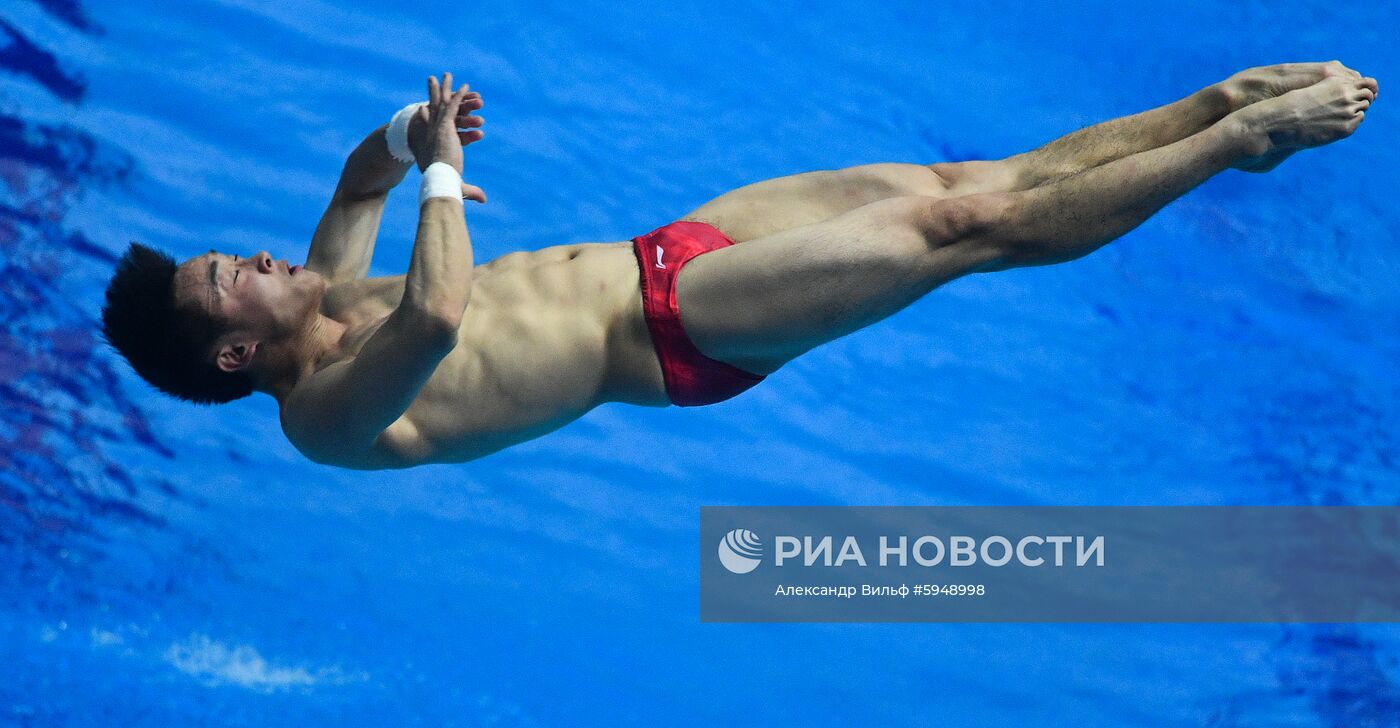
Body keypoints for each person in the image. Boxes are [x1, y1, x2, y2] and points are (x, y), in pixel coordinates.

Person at [101, 63, 1378, 469]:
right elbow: (435, 319)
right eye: (233, 276)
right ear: (234, 352)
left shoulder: (321, 283)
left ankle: (1195, 104)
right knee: (958, 239)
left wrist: (403, 139)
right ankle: (1234, 142)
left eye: (235, 251)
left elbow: (354, 185)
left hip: (674, 246)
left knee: (959, 181)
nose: (261, 256)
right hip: (677, 335)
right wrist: (442, 171)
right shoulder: (324, 416)